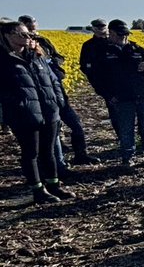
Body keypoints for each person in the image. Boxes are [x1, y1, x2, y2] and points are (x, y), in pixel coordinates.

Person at [0, 19, 73, 204]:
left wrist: (58, 101)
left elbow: (52, 79)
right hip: (24, 115)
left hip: (48, 111)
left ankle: (54, 185)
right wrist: (18, 105)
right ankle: (38, 190)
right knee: (30, 153)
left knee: (48, 152)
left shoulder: (36, 55)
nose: (28, 38)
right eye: (23, 34)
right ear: (8, 35)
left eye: (29, 35)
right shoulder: (3, 60)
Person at [19, 14, 100, 168]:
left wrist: (53, 62)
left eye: (34, 29)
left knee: (75, 124)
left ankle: (81, 155)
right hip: (41, 96)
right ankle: (58, 166)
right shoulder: (20, 51)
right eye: (29, 30)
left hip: (56, 89)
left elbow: (58, 56)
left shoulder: (43, 41)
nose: (32, 33)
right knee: (52, 134)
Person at [98, 19, 144, 169]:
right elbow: (99, 78)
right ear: (111, 33)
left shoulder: (136, 49)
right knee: (126, 128)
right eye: (120, 35)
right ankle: (128, 157)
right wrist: (108, 95)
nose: (123, 38)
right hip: (122, 97)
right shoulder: (104, 52)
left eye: (125, 35)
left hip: (142, 93)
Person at [79, 18, 118, 132]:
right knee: (114, 111)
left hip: (121, 80)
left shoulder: (114, 41)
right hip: (105, 84)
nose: (101, 29)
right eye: (98, 27)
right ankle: (121, 137)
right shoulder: (88, 46)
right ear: (93, 29)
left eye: (103, 26)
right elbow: (84, 66)